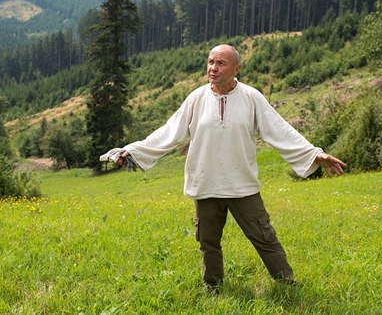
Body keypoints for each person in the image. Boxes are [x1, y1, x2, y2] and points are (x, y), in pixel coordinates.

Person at [113, 44, 346, 294]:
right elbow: (169, 133)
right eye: (211, 62)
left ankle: (286, 283)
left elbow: (280, 130)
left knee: (264, 237)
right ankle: (212, 287)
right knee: (208, 241)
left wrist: (315, 153)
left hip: (242, 185)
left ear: (236, 68)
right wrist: (135, 151)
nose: (213, 68)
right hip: (206, 184)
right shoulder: (196, 98)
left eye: (221, 63)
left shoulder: (251, 97)